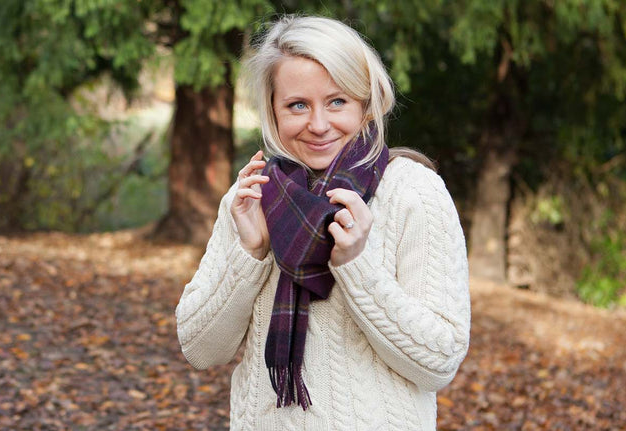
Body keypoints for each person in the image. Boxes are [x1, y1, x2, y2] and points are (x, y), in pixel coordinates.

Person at [175, 15, 470, 430]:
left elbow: (439, 362)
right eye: (297, 105)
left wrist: (355, 265)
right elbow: (200, 349)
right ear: (274, 112)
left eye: (337, 101)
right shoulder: (252, 195)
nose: (318, 125)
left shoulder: (414, 193)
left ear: (367, 103)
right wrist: (252, 253)